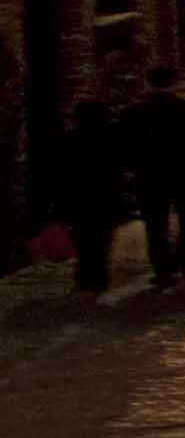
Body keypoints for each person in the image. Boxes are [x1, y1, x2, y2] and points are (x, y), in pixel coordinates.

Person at [120, 66, 185, 295]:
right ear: (174, 81)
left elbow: (123, 144)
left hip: (149, 174)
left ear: (148, 81)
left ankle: (162, 267)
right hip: (183, 171)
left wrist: (133, 166)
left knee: (155, 221)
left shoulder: (134, 112)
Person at [49, 60, 131, 299]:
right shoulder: (112, 137)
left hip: (78, 199)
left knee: (83, 239)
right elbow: (122, 165)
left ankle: (85, 277)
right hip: (106, 197)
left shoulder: (69, 140)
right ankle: (98, 278)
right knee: (102, 240)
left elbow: (59, 170)